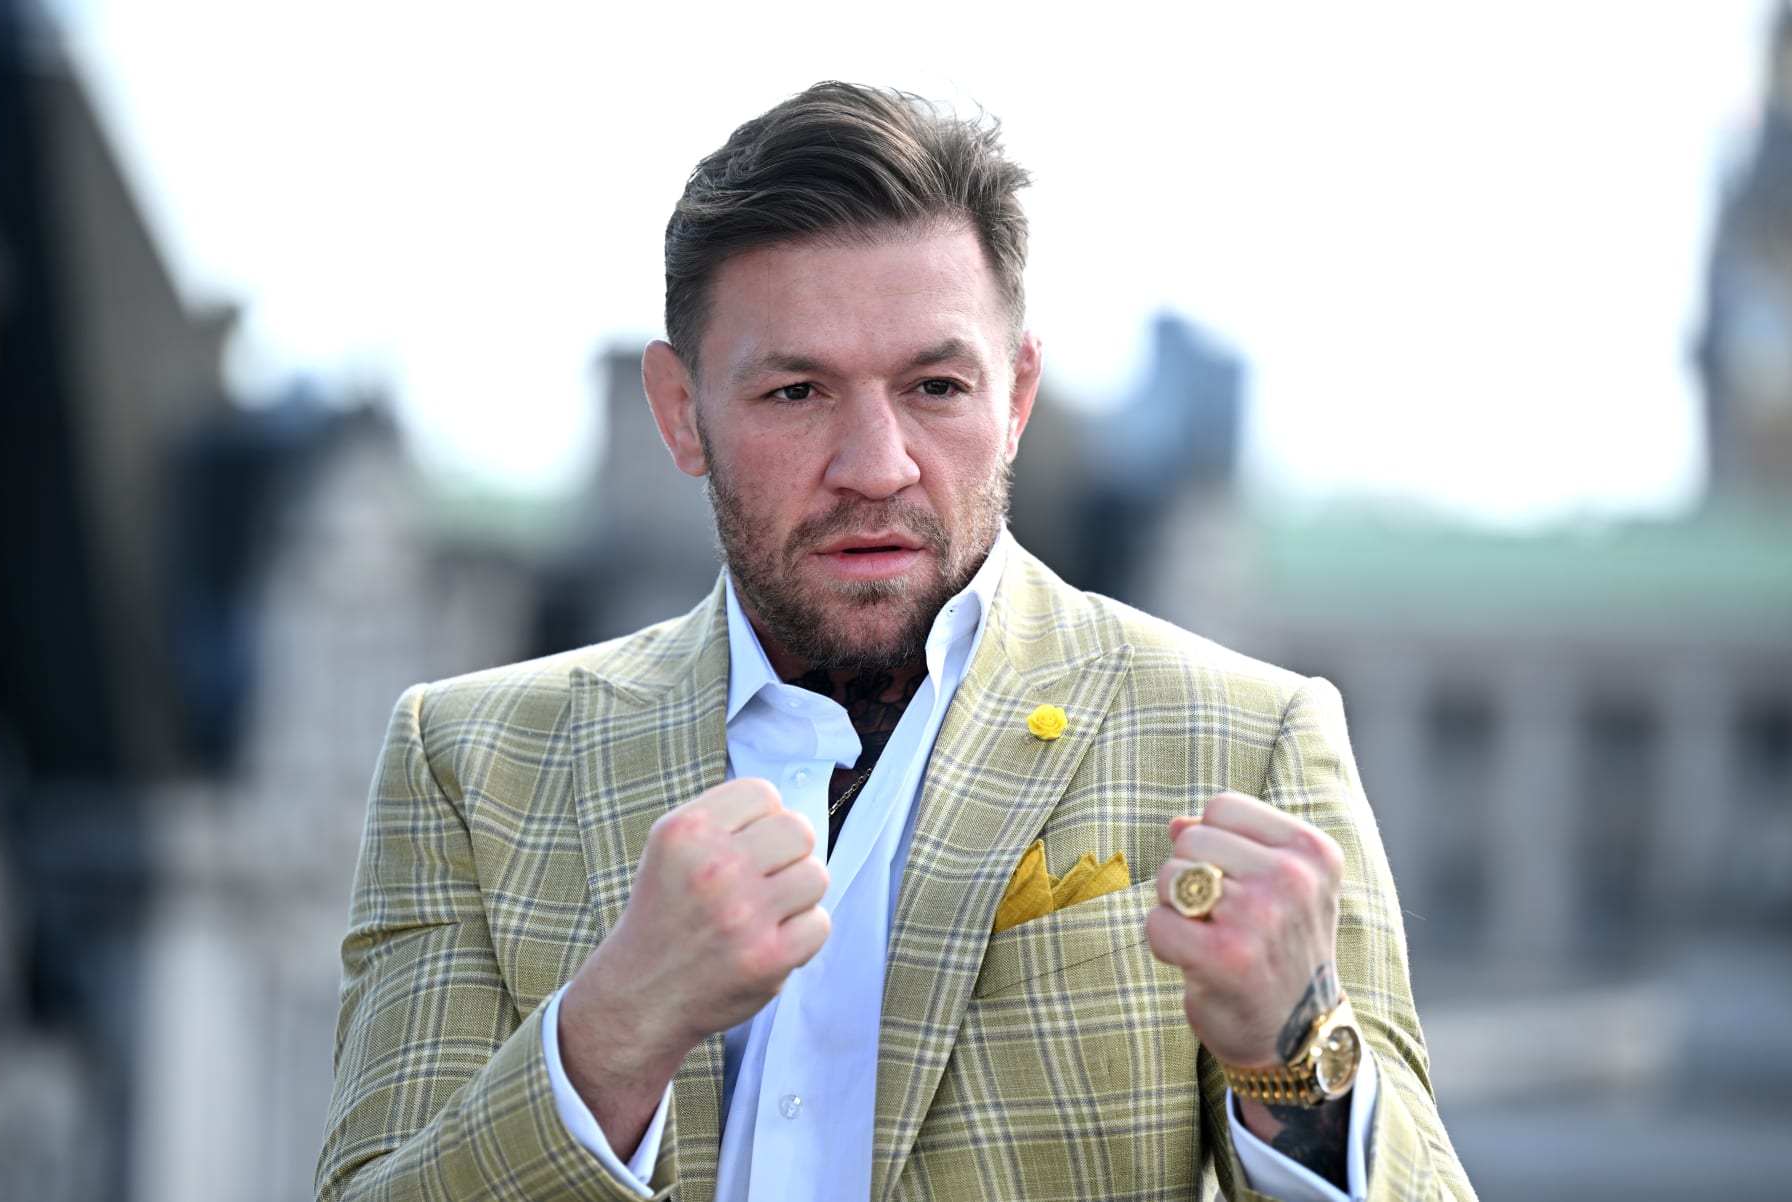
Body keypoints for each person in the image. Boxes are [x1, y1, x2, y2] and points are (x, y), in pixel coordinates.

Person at [317, 82, 1473, 1202]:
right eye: (796, 393)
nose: (877, 464)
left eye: (934, 384)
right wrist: (611, 1029)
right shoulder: (464, 761)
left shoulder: (1250, 737)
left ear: (1016, 394)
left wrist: (1296, 1071)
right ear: (681, 411)